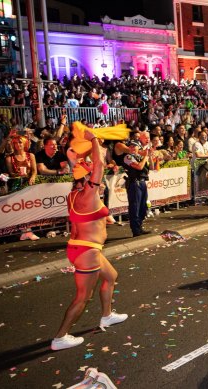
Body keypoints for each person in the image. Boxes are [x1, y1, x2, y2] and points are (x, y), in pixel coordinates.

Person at [51, 129, 127, 351]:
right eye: (91, 173)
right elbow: (99, 164)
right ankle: (60, 337)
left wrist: (75, 156)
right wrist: (93, 138)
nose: (96, 174)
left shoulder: (73, 194)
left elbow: (81, 165)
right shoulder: (88, 194)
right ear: (87, 178)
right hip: (87, 252)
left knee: (111, 276)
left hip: (83, 248)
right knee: (82, 297)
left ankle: (107, 315)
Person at [123, 139, 151, 237]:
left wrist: (148, 156)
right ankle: (135, 230)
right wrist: (146, 157)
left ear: (139, 147)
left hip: (142, 183)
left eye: (134, 146)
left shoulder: (140, 156)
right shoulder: (128, 157)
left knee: (143, 206)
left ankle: (139, 226)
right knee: (135, 207)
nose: (132, 147)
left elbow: (149, 167)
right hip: (134, 183)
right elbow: (139, 167)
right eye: (130, 146)